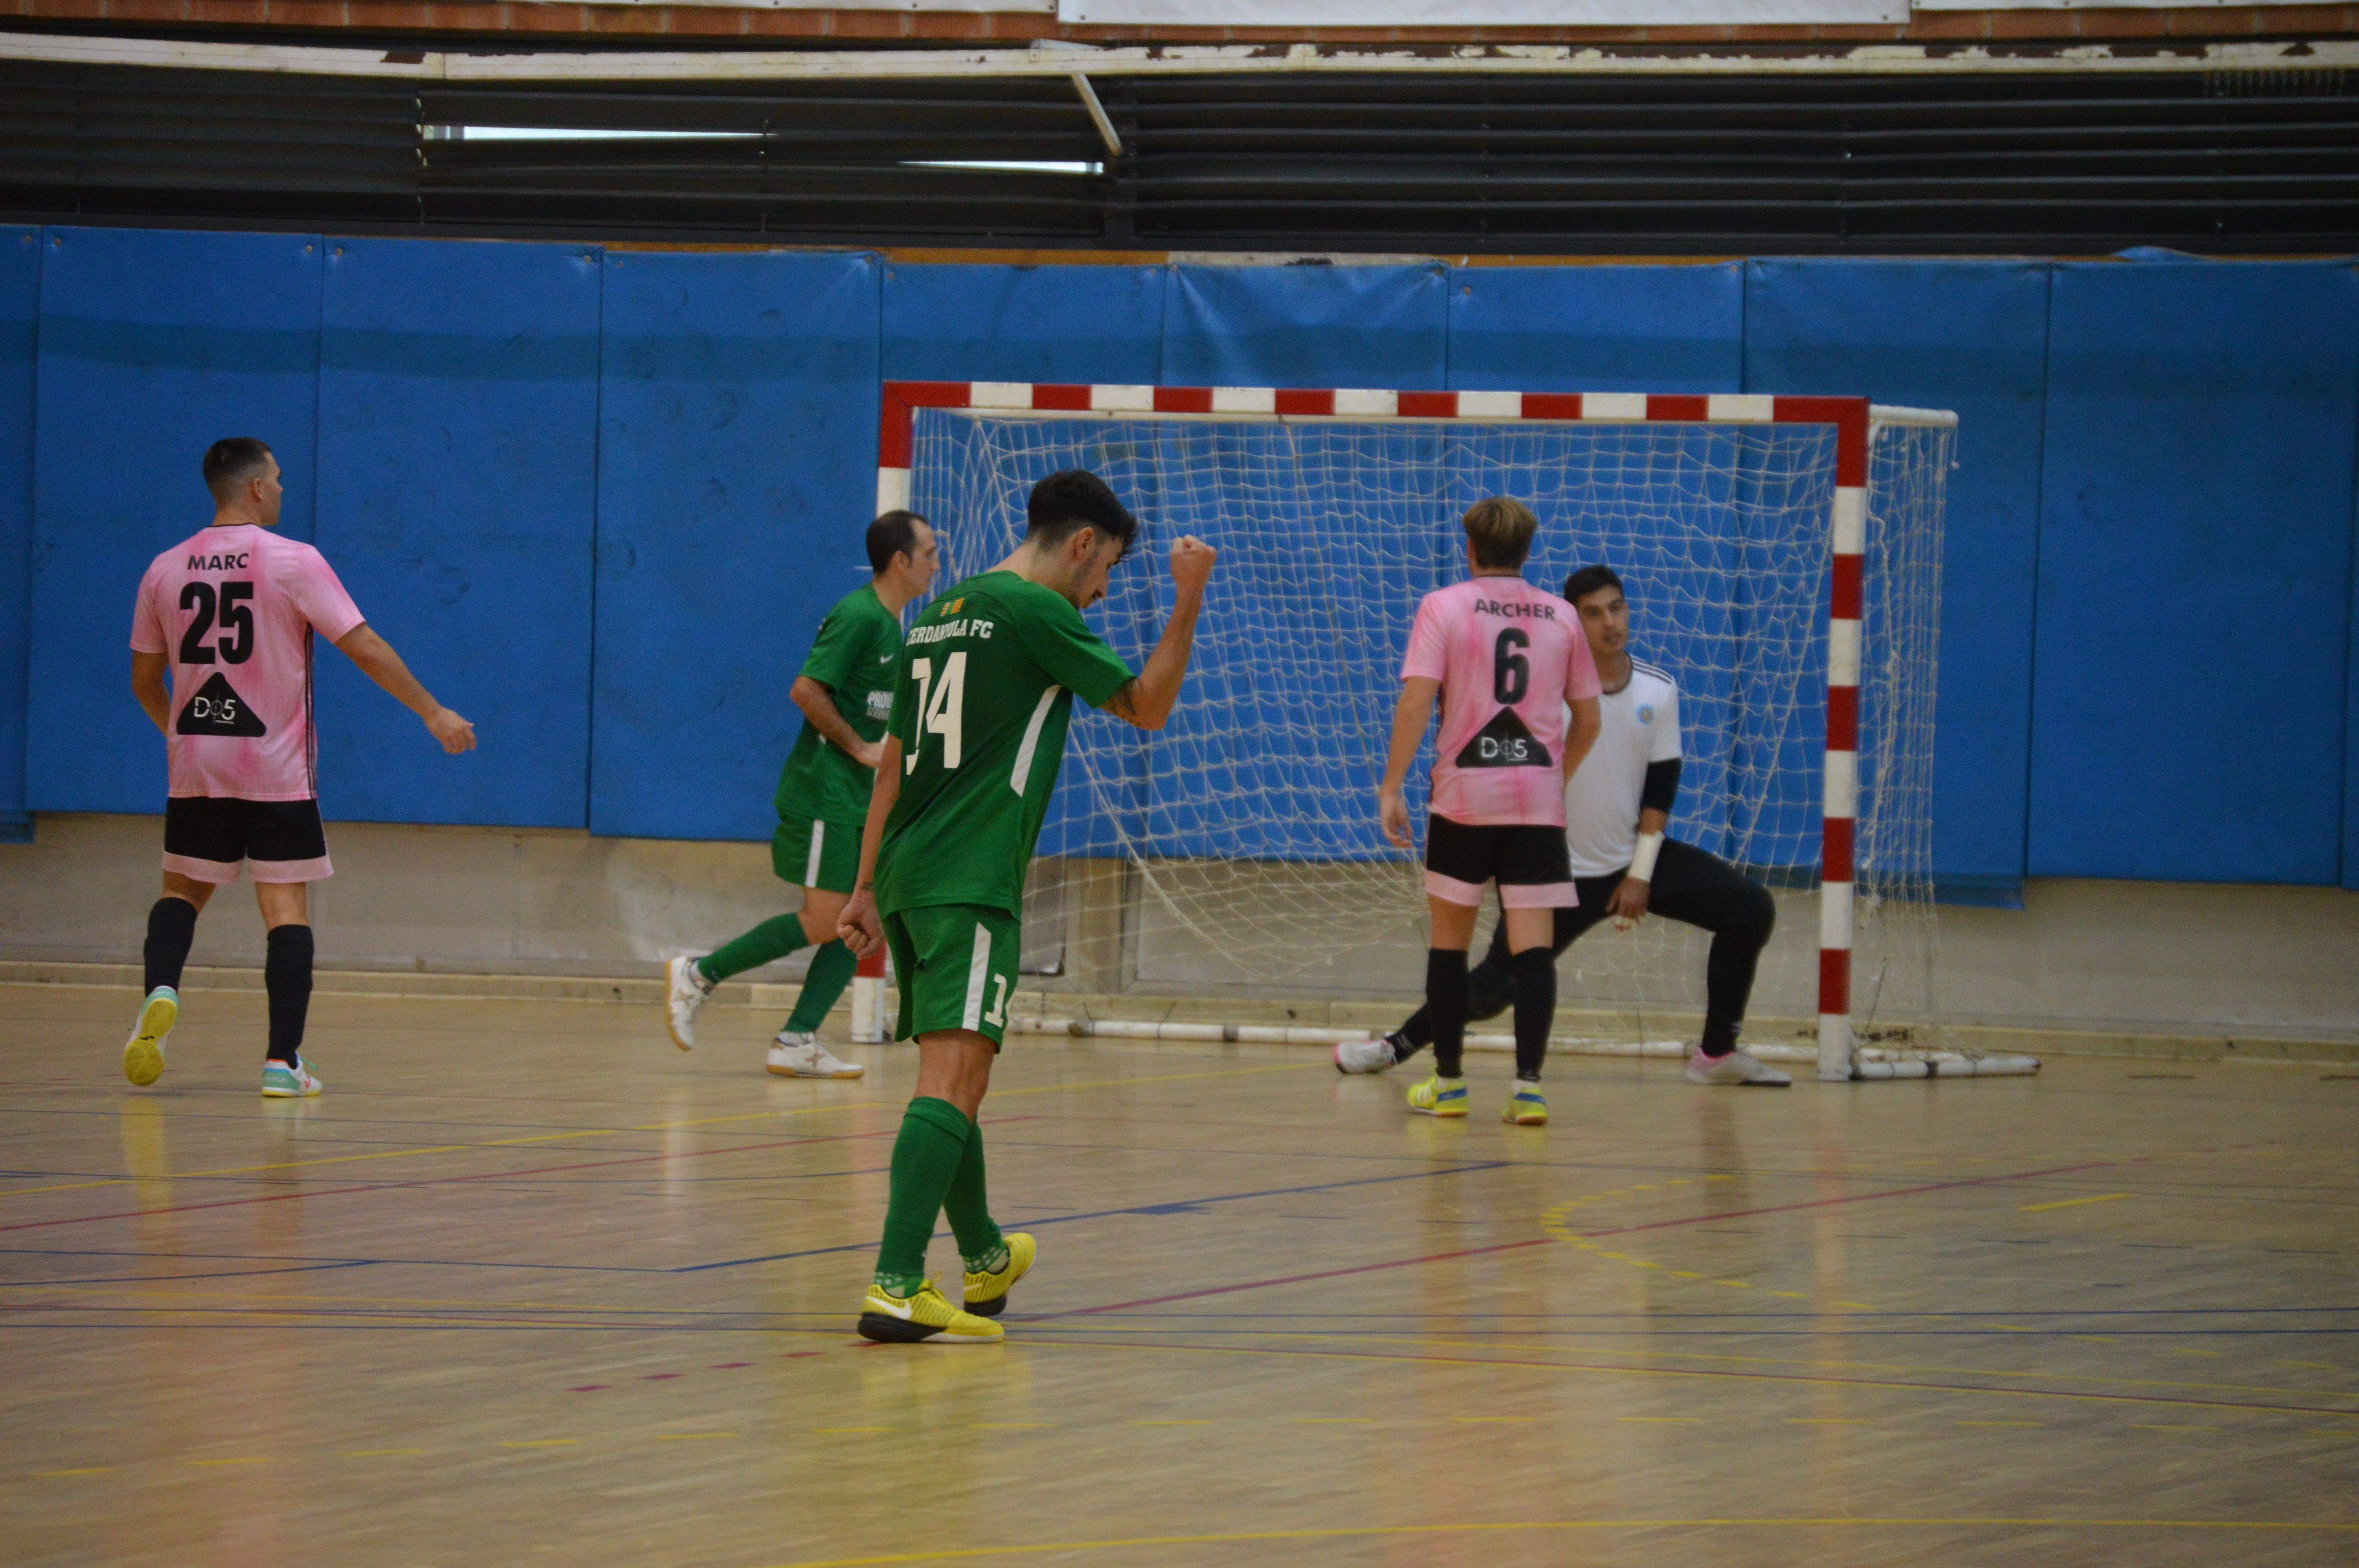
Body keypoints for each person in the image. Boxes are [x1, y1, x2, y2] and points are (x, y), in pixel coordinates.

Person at [836, 470, 1215, 1345]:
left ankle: (983, 1257)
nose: (1104, 588)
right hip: (970, 877)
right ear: (1081, 543)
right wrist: (1186, 599)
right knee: (953, 1076)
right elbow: (1147, 706)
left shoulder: (934, 614)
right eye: (1108, 568)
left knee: (953, 1071)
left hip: (903, 876)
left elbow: (889, 763)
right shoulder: (1038, 611)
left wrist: (862, 885)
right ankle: (894, 1284)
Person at [1339, 563, 1788, 1087]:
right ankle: (1395, 1049)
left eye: (1616, 608)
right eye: (1593, 614)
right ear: (1572, 625)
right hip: (1555, 870)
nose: (1610, 623)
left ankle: (1716, 1056)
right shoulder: (1544, 694)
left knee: (1750, 909)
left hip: (1632, 862)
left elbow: (1660, 790)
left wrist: (1640, 873)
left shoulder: (1658, 691)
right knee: (1492, 989)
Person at [123, 437, 475, 1096]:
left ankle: (162, 991)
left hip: (198, 761)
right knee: (285, 907)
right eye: (279, 479)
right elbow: (364, 646)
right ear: (255, 488)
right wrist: (432, 711)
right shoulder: (293, 561)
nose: (284, 488)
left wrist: (179, 734)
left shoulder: (164, 568)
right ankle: (282, 1064)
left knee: (181, 891)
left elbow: (144, 678)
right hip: (274, 767)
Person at [663, 510, 940, 1078]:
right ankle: (698, 975)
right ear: (901, 562)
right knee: (826, 920)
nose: (939, 563)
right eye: (931, 552)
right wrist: (859, 747)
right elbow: (807, 690)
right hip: (826, 793)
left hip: (859, 802)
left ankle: (796, 1039)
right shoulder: (859, 616)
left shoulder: (893, 628)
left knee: (864, 918)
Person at [1376, 498, 1602, 1127]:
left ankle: (1448, 1086)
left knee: (1450, 947)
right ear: (1528, 554)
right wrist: (1552, 778)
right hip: (1536, 806)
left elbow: (1417, 702)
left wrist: (1392, 785)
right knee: (1533, 953)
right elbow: (1588, 719)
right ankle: (1529, 1088)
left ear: (1469, 549)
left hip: (1463, 800)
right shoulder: (1561, 615)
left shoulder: (1443, 607)